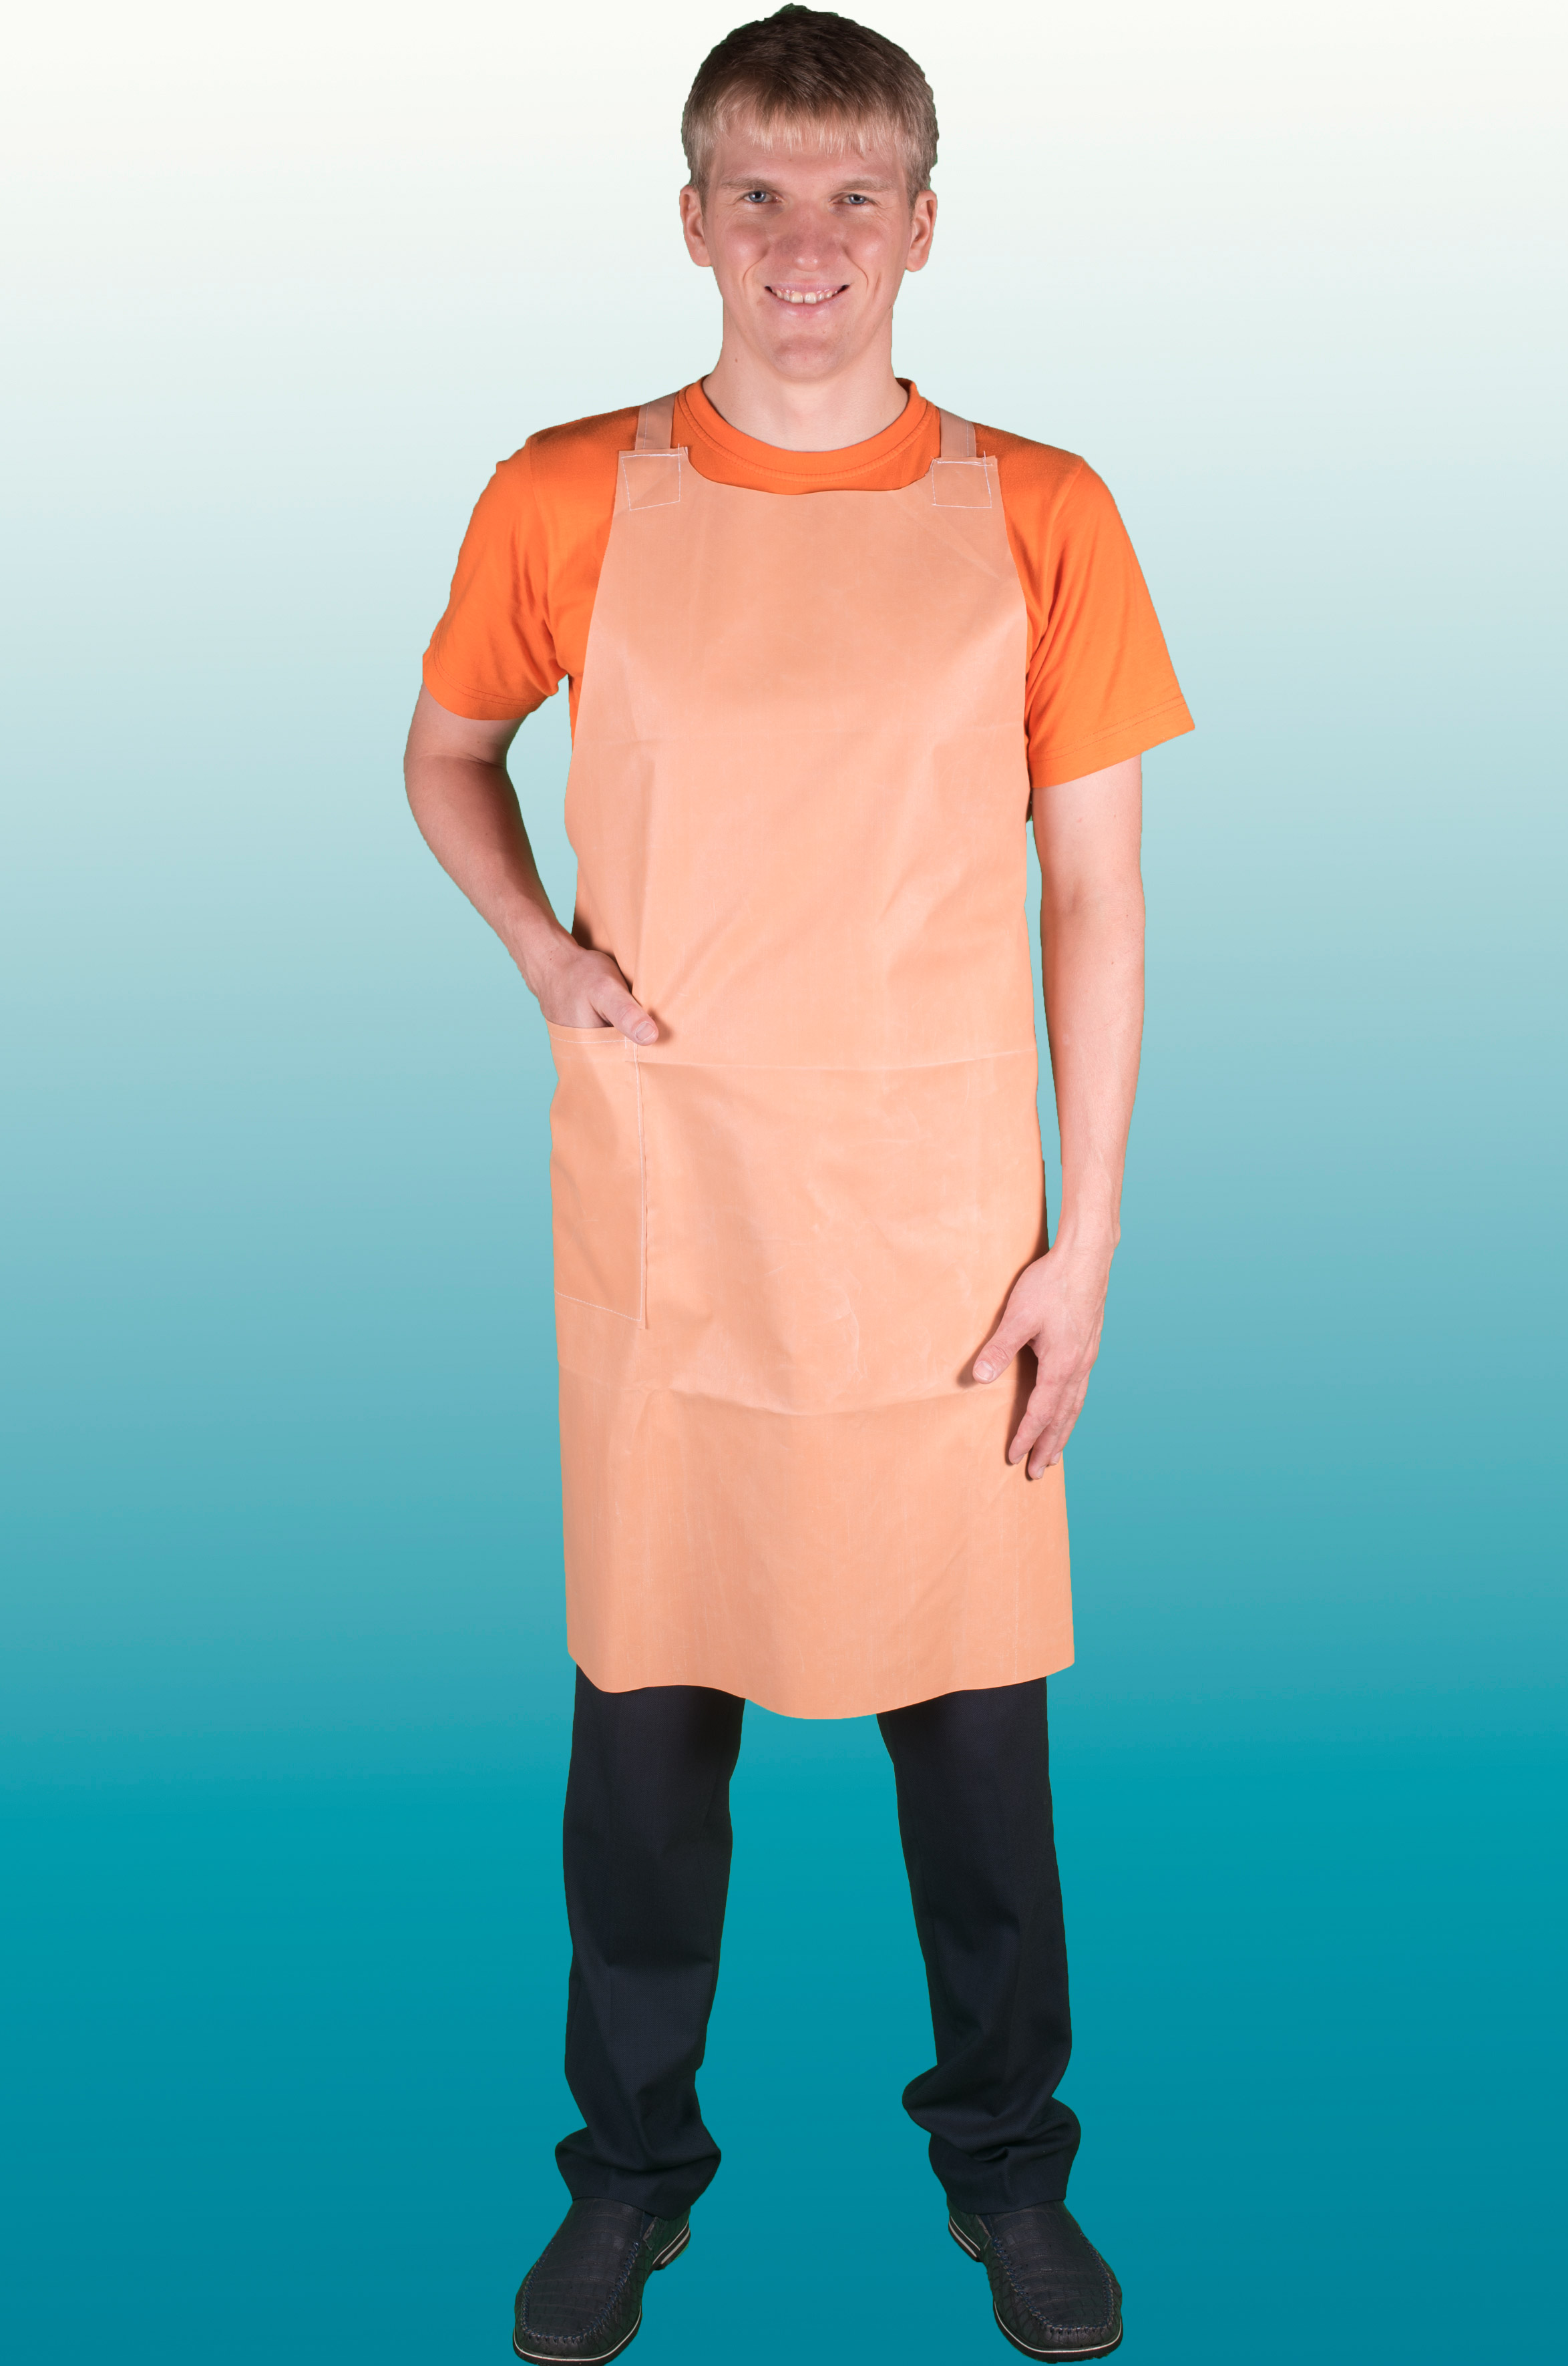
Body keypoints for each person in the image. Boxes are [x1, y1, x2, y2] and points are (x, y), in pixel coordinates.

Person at [405, 9, 1191, 2358]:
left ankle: (1006, 2169)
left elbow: (1094, 896)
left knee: (980, 1765)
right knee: (644, 1752)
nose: (806, 243)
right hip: (671, 1214)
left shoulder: (1041, 511)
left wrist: (1083, 1243)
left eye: (854, 195)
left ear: (924, 226)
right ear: (691, 220)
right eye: (758, 191)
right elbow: (447, 752)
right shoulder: (568, 494)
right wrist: (540, 947)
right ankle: (629, 2175)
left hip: (944, 1228)